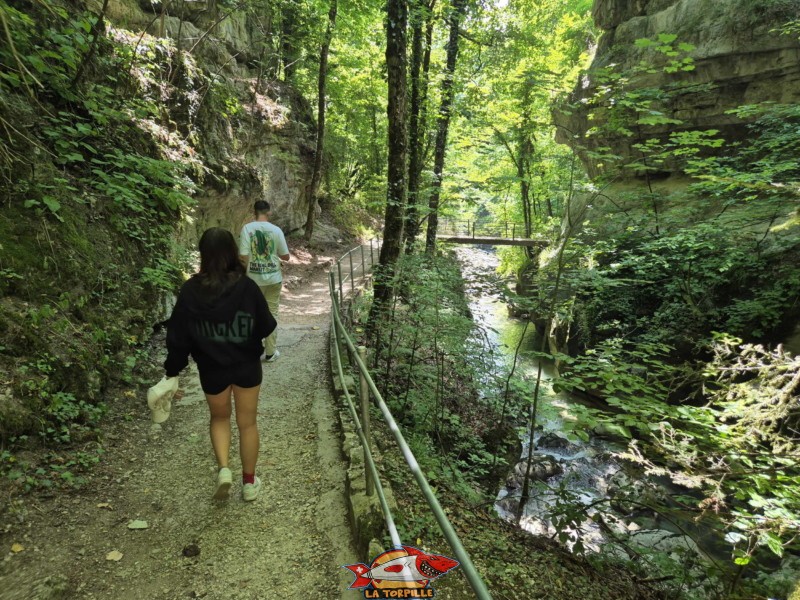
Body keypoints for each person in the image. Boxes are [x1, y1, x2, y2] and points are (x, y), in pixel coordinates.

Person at [149, 227, 276, 502]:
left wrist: (172, 370)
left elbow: (178, 337)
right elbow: (267, 325)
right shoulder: (247, 287)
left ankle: (224, 470)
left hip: (212, 369)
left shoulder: (191, 291)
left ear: (204, 255)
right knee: (248, 424)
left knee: (219, 418)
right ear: (232, 252)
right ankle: (250, 483)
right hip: (246, 367)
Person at [238, 200, 290, 362]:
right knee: (271, 313)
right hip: (273, 278)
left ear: (254, 212)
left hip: (253, 280)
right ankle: (270, 352)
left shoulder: (247, 229)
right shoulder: (276, 230)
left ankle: (253, 350)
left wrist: (249, 270)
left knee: (252, 313)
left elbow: (243, 255)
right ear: (269, 212)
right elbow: (285, 256)